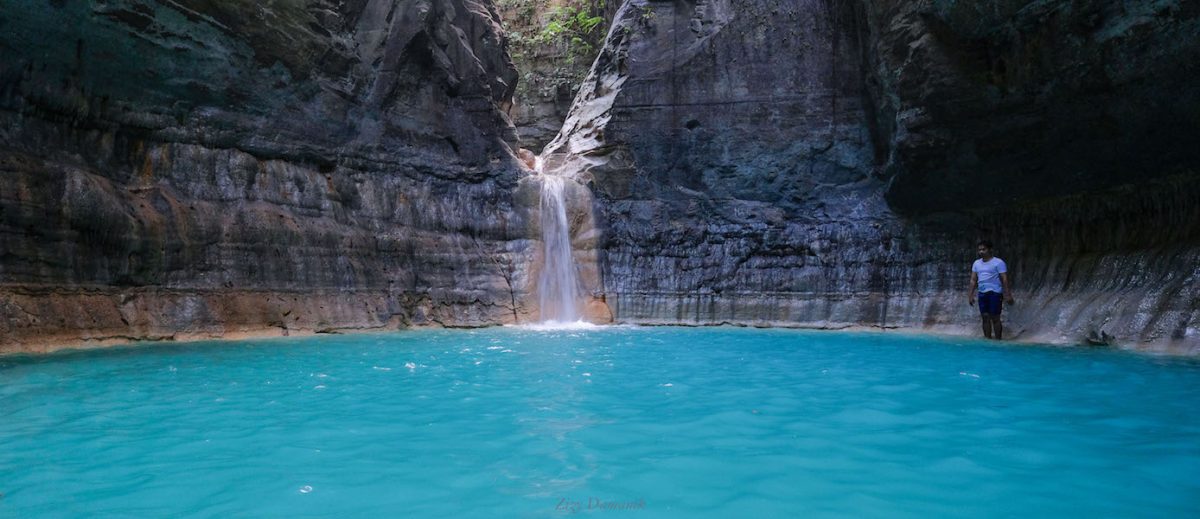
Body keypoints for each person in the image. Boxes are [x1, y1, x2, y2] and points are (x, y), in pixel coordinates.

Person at [968, 240, 1014, 339]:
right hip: (982, 293)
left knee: (995, 317)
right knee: (984, 317)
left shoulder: (998, 262)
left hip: (995, 292)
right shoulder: (976, 263)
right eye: (979, 250)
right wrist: (970, 295)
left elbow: (1004, 279)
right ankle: (987, 339)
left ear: (990, 250)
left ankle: (998, 339)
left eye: (983, 249)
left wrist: (1007, 294)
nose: (981, 252)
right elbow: (973, 280)